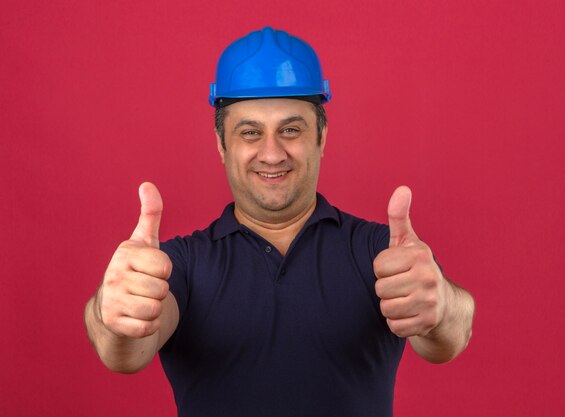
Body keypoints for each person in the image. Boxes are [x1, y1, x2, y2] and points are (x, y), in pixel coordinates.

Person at [84, 27, 475, 417]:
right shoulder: (180, 265)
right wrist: (109, 311)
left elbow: (447, 338)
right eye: (250, 133)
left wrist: (442, 305)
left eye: (291, 130)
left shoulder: (380, 252)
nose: (271, 154)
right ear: (222, 146)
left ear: (321, 137)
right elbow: (126, 352)